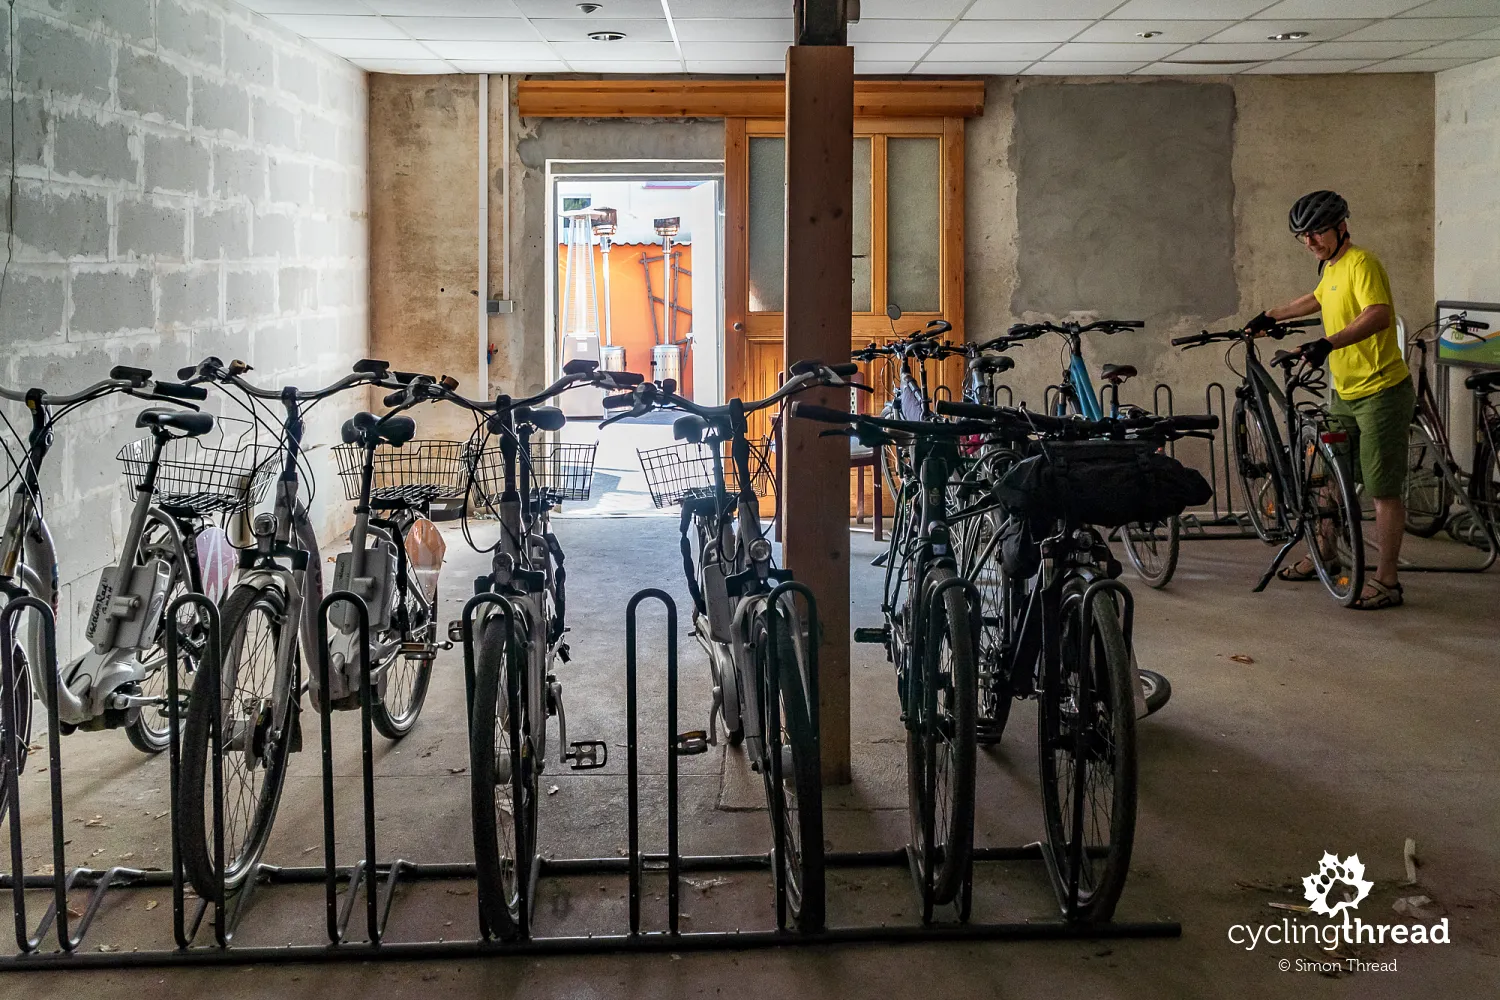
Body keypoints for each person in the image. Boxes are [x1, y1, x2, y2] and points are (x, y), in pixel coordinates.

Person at [1247, 190, 1414, 610]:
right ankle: (1324, 553)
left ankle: (1388, 581)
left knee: (1382, 488)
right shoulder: (1332, 267)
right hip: (1344, 392)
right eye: (1303, 235)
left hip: (1380, 391)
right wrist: (1272, 314)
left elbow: (1378, 313)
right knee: (1327, 479)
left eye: (1317, 231)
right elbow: (1318, 298)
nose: (1310, 241)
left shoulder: (1362, 263)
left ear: (1341, 227)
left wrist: (1327, 342)